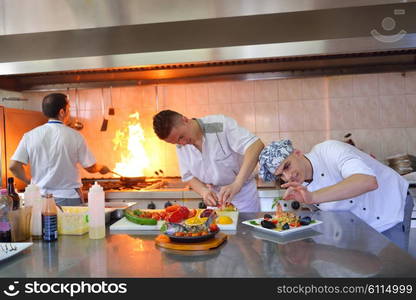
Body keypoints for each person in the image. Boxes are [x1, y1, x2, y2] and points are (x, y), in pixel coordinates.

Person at [258, 139, 413, 250]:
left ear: (297, 153)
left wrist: (313, 197)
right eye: (281, 175)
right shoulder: (300, 183)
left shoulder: (329, 150)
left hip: (389, 205)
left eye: (287, 166)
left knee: (394, 270)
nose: (288, 176)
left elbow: (367, 181)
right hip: (359, 222)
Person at [9, 93, 110, 206]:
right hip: (68, 199)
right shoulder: (75, 136)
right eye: (69, 108)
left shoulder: (30, 135)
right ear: (62, 112)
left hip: (39, 199)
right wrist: (101, 167)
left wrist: (32, 183)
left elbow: (13, 166)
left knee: (43, 224)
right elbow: (90, 167)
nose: (69, 112)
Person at [153, 110, 264, 212]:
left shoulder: (220, 125)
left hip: (243, 194)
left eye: (181, 137)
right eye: (176, 142)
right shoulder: (181, 145)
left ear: (185, 120)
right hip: (215, 199)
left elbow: (256, 145)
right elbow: (188, 176)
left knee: (245, 231)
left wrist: (237, 183)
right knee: (216, 233)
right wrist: (204, 192)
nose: (182, 143)